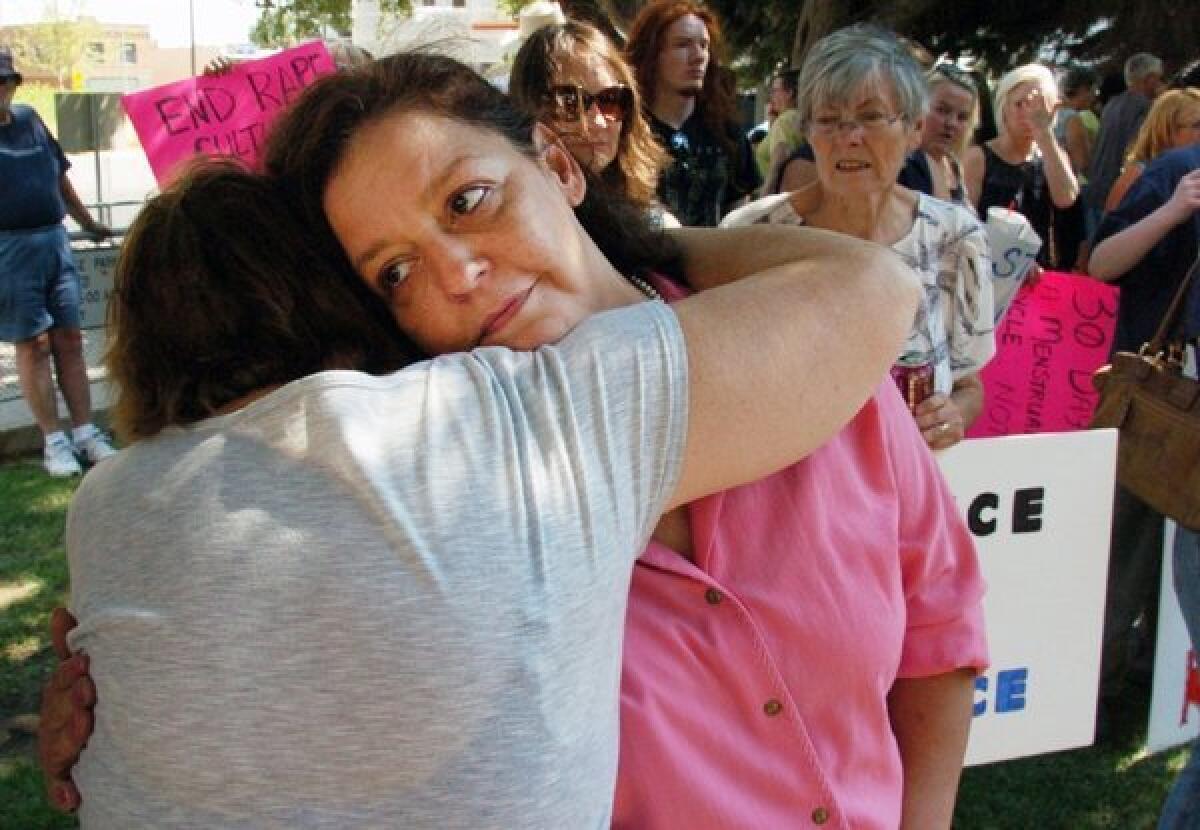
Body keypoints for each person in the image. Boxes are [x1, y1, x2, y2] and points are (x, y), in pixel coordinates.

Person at [38, 53, 921, 826]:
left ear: (556, 163)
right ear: (364, 329)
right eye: (395, 272)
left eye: (469, 200)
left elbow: (940, 645)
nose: (457, 272)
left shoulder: (831, 367)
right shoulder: (468, 441)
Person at [723, 25, 996, 451]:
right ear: (808, 133)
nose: (849, 138)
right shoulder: (751, 236)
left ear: (913, 129)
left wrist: (951, 415)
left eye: (871, 117)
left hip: (907, 495)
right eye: (829, 121)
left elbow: (969, 385)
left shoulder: (956, 240)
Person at [1088, 143, 1200, 830]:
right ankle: (1092, 703)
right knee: (1117, 579)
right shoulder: (1179, 170)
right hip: (1167, 434)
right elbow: (1101, 263)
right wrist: (1176, 208)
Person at [0, 46, 116, 475]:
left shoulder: (30, 120)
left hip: (55, 242)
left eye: (4, 81)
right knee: (32, 346)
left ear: (13, 84)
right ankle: (54, 441)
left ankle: (86, 433)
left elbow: (60, 178)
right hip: (9, 250)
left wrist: (89, 223)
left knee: (69, 339)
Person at [509, 19, 678, 227]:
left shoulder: (649, 222)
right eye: (569, 102)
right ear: (530, 108)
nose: (597, 122)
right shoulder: (519, 223)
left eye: (610, 100)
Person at [624, 0, 761, 226]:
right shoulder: (627, 130)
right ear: (652, 54)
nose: (698, 57)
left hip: (715, 257)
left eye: (704, 46)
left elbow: (739, 209)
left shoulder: (725, 132)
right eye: (683, 44)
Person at [964, 63, 1080, 269]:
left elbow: (1066, 199)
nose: (1028, 114)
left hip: (1038, 273)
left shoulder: (1052, 155)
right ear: (1004, 108)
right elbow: (964, 221)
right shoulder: (978, 158)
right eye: (1019, 105)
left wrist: (1044, 134)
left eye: (1038, 106)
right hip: (988, 268)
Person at [1086, 52, 1166, 220]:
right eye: (1159, 78)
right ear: (1150, 79)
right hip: (1121, 197)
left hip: (1096, 191)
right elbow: (1138, 154)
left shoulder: (1111, 105)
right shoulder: (1146, 108)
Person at [1103, 88, 1200, 213]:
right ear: (1167, 129)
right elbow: (1113, 229)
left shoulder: (1193, 169)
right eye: (1197, 125)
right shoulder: (1137, 177)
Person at [1053, 65, 1099, 270]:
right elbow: (1082, 162)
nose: (1094, 96)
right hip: (1069, 189)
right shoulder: (1072, 119)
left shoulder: (1050, 114)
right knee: (1074, 248)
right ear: (1081, 89)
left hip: (1043, 188)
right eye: (1091, 90)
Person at [918, 62, 979, 206]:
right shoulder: (903, 164)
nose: (951, 123)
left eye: (962, 117)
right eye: (942, 110)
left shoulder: (953, 166)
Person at [758, 67, 804, 195]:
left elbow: (778, 161)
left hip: (776, 197)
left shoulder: (784, 120)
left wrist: (764, 198)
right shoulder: (800, 118)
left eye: (774, 91)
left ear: (789, 93)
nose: (771, 96)